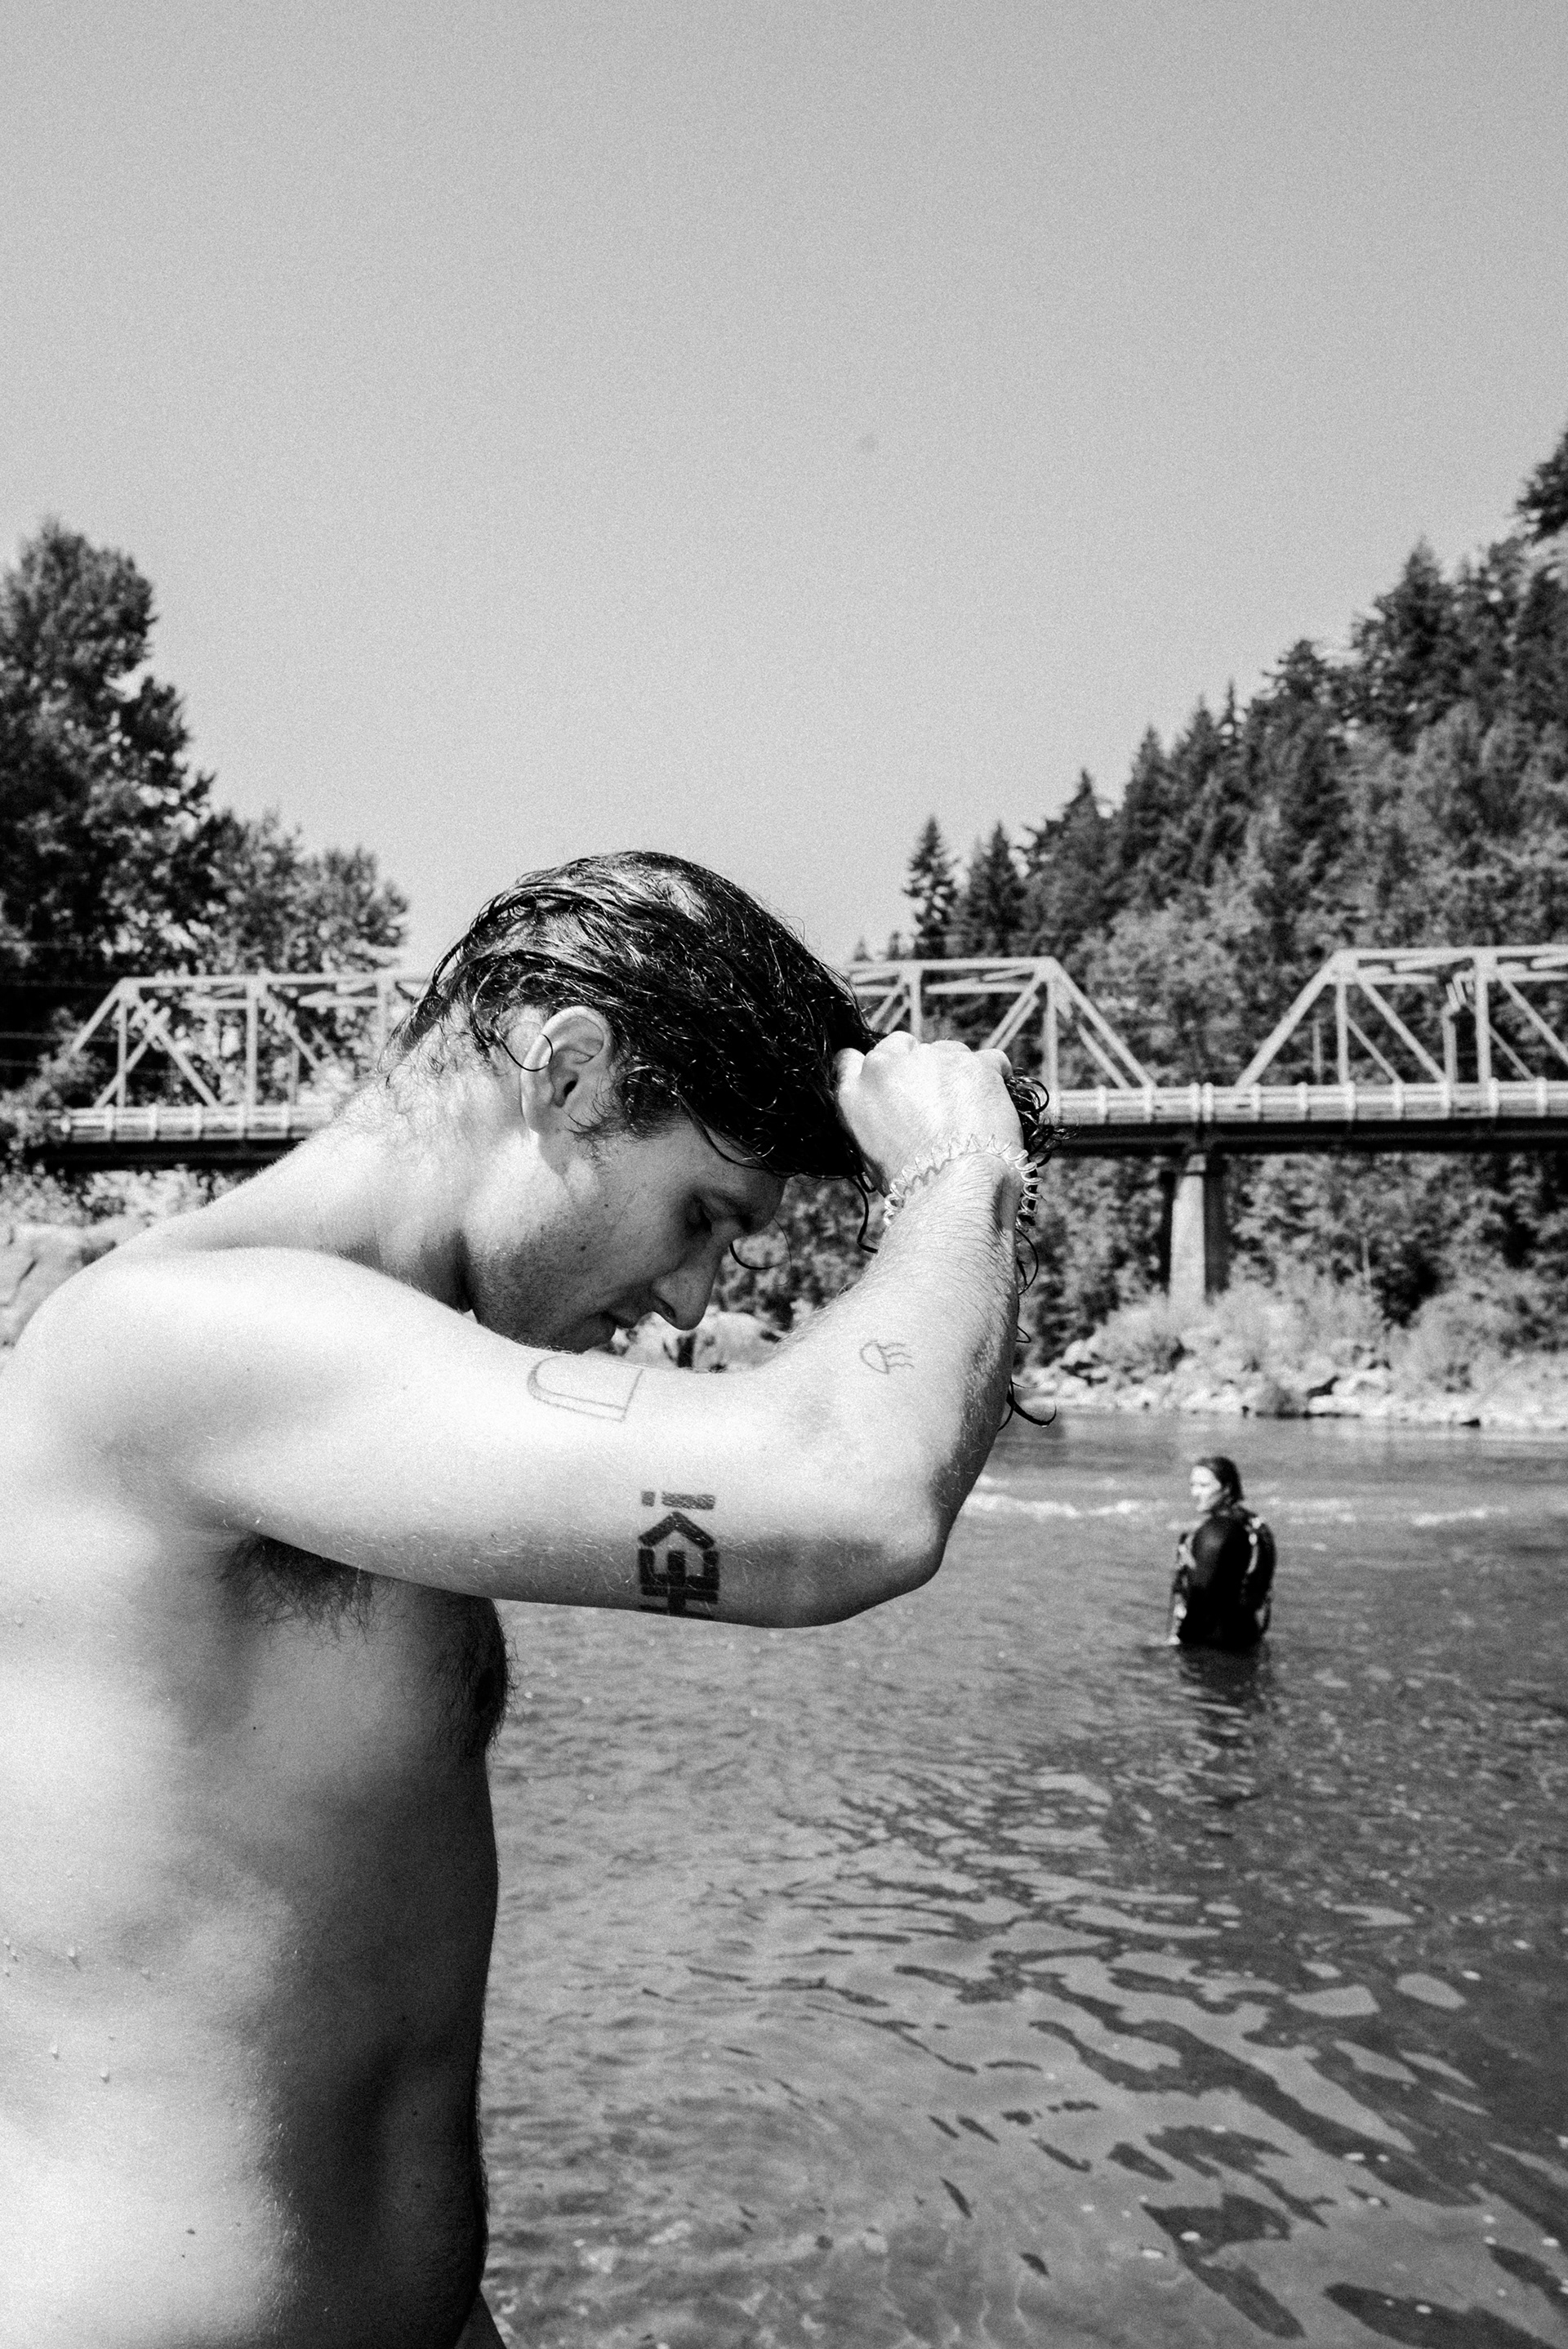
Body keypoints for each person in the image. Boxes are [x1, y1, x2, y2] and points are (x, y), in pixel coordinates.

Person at [0, 851, 1038, 2348]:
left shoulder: (365, 1380)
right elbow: (851, 1504)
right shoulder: (180, 1334)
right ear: (567, 1074)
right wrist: (959, 1172)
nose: (693, 1301)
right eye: (702, 1214)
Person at [1166, 1453, 1276, 1651]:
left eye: (1204, 1486)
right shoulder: (1251, 1524)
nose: (1195, 1493)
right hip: (1248, 1638)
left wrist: (1179, 1648)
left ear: (1226, 1488)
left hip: (1212, 1648)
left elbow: (1200, 1600)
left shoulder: (1216, 1533)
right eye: (1193, 1485)